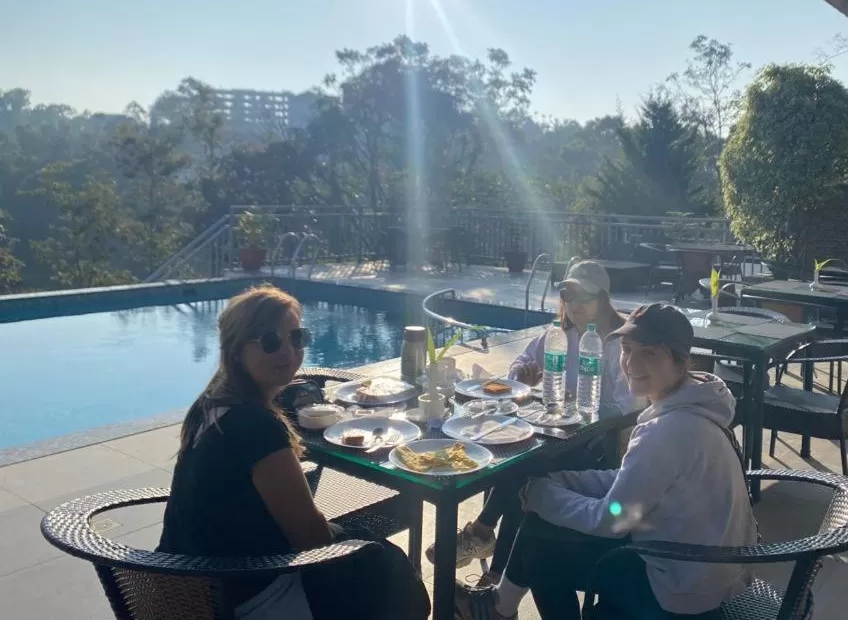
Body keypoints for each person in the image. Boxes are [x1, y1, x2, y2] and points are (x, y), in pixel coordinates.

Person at [454, 302, 759, 620]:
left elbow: (612, 521)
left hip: (680, 588)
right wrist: (563, 483)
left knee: (540, 548)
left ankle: (497, 609)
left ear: (682, 360)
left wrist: (542, 496)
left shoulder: (668, 430)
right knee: (542, 527)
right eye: (627, 350)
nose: (631, 363)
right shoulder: (696, 405)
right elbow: (632, 481)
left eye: (649, 353)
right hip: (704, 567)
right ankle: (499, 608)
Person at [158, 285, 429, 620]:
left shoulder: (211, 405)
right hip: (242, 596)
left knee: (380, 554)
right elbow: (311, 538)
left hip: (185, 587)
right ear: (237, 349)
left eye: (297, 338)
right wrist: (359, 541)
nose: (288, 352)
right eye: (271, 341)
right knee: (392, 576)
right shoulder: (255, 427)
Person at [426, 260, 644, 581]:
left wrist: (584, 405)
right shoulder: (560, 334)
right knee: (519, 459)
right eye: (569, 296)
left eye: (585, 297)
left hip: (600, 446)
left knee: (524, 471)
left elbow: (629, 410)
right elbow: (522, 360)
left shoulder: (618, 344)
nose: (575, 305)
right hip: (561, 436)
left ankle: (486, 547)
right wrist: (522, 376)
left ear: (603, 299)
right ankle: (491, 565)